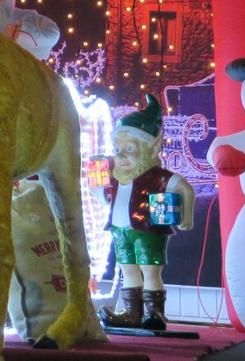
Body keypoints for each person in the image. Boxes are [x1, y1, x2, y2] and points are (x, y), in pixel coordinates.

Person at [97, 94, 194, 330]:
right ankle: (132, 313)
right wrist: (98, 186)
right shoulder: (116, 175)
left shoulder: (157, 176)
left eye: (130, 148)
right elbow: (104, 197)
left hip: (148, 229)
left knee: (150, 271)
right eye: (118, 148)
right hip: (120, 229)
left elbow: (184, 188)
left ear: (151, 147)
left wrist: (186, 216)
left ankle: (155, 314)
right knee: (127, 270)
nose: (121, 155)